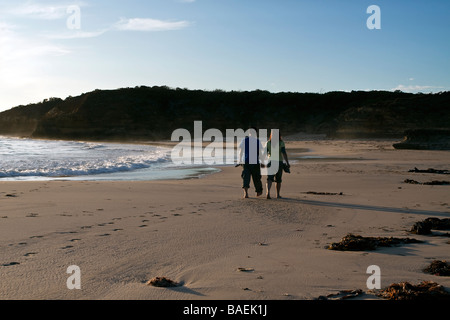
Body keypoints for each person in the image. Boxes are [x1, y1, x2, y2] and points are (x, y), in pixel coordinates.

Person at [238, 127, 264, 199]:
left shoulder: (244, 140)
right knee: (256, 178)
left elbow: (241, 151)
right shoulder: (257, 141)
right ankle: (258, 192)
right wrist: (262, 161)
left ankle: (246, 193)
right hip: (255, 162)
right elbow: (260, 153)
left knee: (246, 177)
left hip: (246, 161)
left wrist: (240, 160)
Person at [264, 130, 290, 199]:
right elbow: (284, 153)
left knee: (269, 178)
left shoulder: (268, 143)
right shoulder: (281, 143)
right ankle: (277, 194)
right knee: (278, 179)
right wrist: (287, 162)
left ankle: (268, 193)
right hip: (279, 162)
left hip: (270, 162)